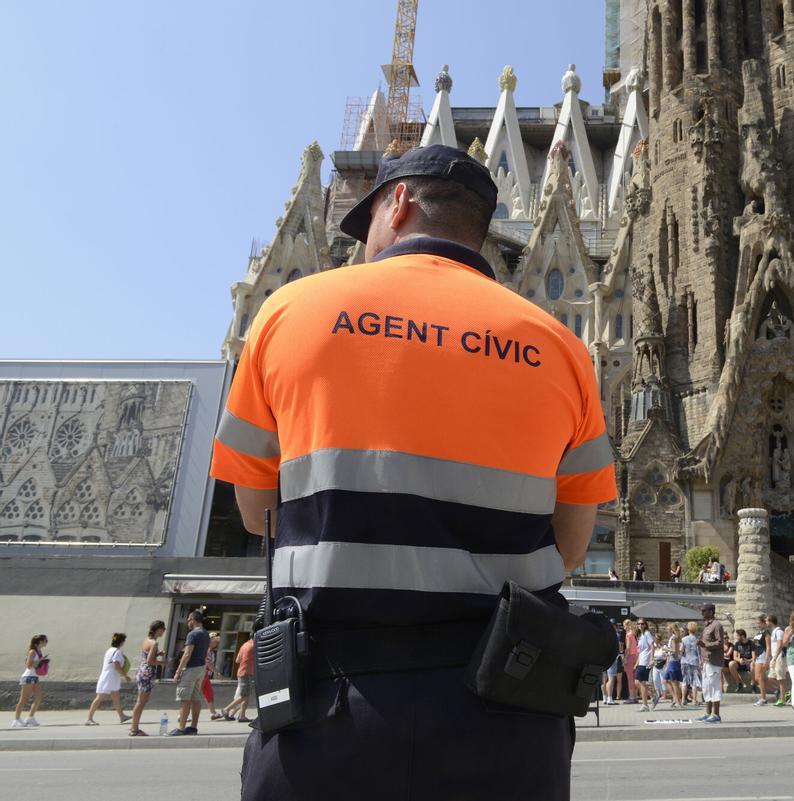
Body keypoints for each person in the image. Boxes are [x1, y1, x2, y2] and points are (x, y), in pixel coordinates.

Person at [210, 143, 615, 798]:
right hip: (508, 713)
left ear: (396, 204)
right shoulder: (561, 348)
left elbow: (258, 512)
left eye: (365, 221)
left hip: (325, 712)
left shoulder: (288, 314)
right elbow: (570, 544)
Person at [168, 610, 209, 735]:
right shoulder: (205, 633)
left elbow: (187, 654)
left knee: (184, 698)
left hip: (191, 669)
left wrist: (178, 671)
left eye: (189, 619)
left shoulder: (193, 634)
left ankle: (181, 728)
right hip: (201, 668)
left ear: (194, 620)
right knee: (196, 698)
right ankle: (193, 727)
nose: (187, 622)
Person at [129, 621, 166, 736]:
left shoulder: (147, 640)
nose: (164, 631)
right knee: (141, 701)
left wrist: (158, 653)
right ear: (158, 629)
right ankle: (134, 729)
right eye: (163, 629)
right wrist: (163, 663)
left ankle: (134, 728)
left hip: (142, 671)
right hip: (147, 673)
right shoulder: (154, 643)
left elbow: (146, 655)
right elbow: (150, 661)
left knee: (141, 700)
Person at [86, 633, 130, 725]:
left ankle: (122, 716)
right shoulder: (117, 652)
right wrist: (125, 675)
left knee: (116, 697)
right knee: (100, 697)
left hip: (110, 677)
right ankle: (89, 719)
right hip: (110, 678)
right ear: (121, 642)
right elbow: (116, 666)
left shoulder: (110, 650)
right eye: (124, 641)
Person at [222, 619, 261, 723]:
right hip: (247, 673)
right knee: (245, 695)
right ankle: (226, 709)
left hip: (242, 671)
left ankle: (242, 715)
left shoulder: (244, 645)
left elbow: (237, 660)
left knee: (246, 695)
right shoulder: (254, 646)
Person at [13, 634, 48, 728]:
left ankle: (30, 718)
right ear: (39, 642)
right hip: (28, 677)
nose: (46, 643)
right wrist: (40, 660)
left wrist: (42, 661)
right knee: (24, 699)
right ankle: (16, 720)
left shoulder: (38, 651)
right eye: (45, 641)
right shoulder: (32, 651)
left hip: (35, 677)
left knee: (39, 697)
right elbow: (28, 665)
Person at [698, 603, 725, 722]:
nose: (702, 613)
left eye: (704, 611)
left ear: (711, 612)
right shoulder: (706, 626)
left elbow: (720, 643)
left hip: (714, 662)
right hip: (706, 662)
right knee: (706, 688)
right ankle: (708, 713)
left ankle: (716, 715)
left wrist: (706, 645)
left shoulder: (717, 625)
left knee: (714, 688)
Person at [201, 632, 227, 721]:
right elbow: (208, 663)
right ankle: (182, 714)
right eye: (214, 641)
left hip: (205, 675)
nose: (216, 644)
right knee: (195, 695)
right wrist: (216, 672)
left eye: (217, 642)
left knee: (209, 693)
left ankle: (213, 713)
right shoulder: (206, 650)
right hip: (201, 674)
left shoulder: (211, 651)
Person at [634, 619, 656, 711]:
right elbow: (640, 651)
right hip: (641, 661)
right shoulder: (640, 635)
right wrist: (636, 663)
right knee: (638, 682)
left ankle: (645, 704)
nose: (640, 625)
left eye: (642, 624)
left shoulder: (647, 633)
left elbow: (652, 646)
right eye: (638, 623)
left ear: (645, 625)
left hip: (646, 661)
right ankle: (653, 695)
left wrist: (651, 659)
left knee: (641, 682)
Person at [681, 621, 702, 705]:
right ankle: (694, 700)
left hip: (685, 661)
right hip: (694, 661)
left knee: (684, 681)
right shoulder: (697, 640)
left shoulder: (683, 639)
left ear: (688, 629)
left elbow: (682, 650)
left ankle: (683, 700)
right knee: (694, 681)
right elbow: (699, 652)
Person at [664, 623, 684, 707]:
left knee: (674, 682)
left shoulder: (673, 638)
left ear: (671, 630)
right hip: (672, 661)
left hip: (673, 662)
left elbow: (674, 650)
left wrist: (665, 649)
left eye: (668, 629)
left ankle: (678, 701)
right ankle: (675, 699)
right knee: (666, 680)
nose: (666, 630)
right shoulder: (674, 638)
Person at [622, 619, 639, 703]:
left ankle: (632, 697)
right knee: (634, 677)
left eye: (624, 625)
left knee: (630, 678)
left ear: (628, 625)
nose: (624, 627)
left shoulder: (628, 635)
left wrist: (625, 658)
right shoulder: (634, 634)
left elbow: (628, 648)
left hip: (630, 657)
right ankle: (635, 696)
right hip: (635, 657)